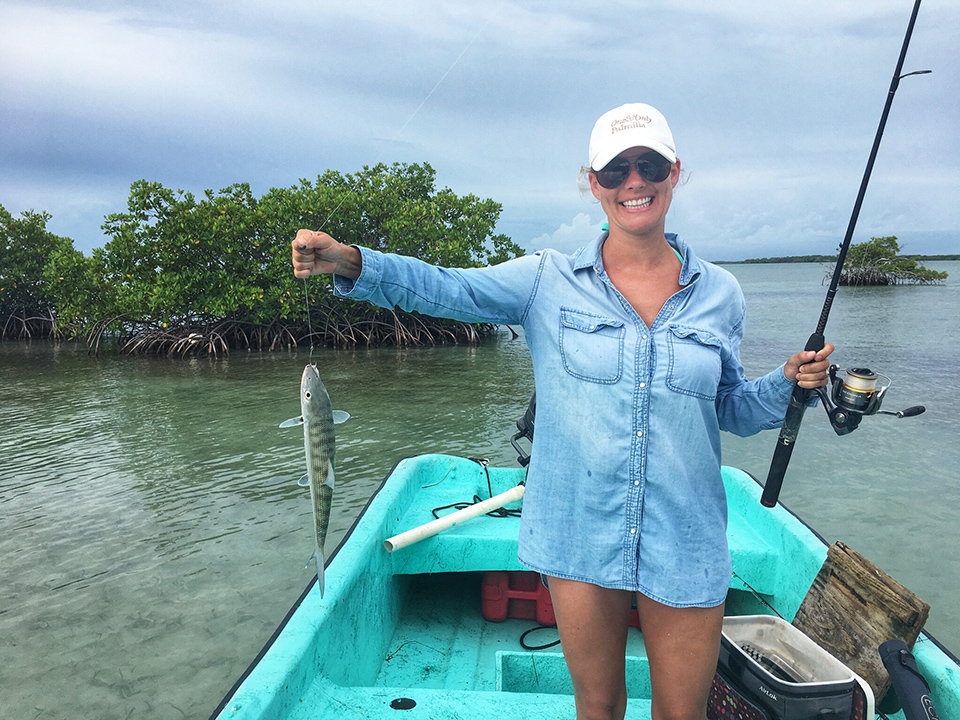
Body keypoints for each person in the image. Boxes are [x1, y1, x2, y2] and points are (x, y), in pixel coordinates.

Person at [291, 102, 834, 720]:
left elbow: (730, 409)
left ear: (675, 172)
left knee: (683, 713)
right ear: (592, 183)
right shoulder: (546, 279)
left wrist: (787, 384)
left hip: (687, 534)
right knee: (597, 705)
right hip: (579, 529)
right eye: (615, 170)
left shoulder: (720, 294)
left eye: (649, 164)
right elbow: (450, 287)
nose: (635, 181)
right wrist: (351, 260)